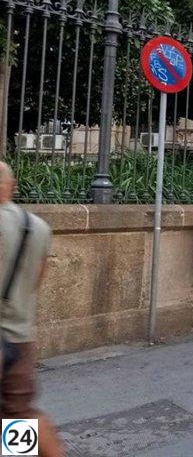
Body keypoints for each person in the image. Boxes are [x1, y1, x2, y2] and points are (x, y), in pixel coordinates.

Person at [0, 162, 64, 456]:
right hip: (20, 339)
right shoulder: (38, 228)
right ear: (11, 186)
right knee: (18, 416)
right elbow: (36, 281)